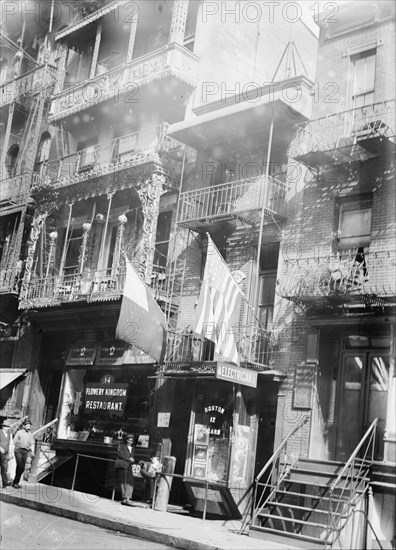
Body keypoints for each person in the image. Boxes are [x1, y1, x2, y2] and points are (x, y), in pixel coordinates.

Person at [13, 419, 35, 489]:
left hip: (26, 452)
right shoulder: (19, 432)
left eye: (29, 426)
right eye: (27, 425)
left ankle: (15, 482)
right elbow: (14, 442)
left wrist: (33, 452)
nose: (29, 427)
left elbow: (32, 444)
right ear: (24, 426)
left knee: (21, 468)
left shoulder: (30, 434)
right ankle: (15, 483)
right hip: (18, 450)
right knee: (20, 466)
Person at [114, 433, 135, 506]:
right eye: (129, 440)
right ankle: (124, 498)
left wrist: (132, 459)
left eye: (131, 441)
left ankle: (128, 497)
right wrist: (129, 458)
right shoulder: (121, 446)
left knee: (130, 481)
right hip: (122, 465)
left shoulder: (133, 449)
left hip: (129, 466)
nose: (130, 442)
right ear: (126, 440)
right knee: (123, 481)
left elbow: (131, 456)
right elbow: (119, 454)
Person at [0, 417, 12, 488]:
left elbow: (10, 443)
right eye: (7, 426)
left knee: (4, 468)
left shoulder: (9, 434)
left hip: (5, 453)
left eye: (9, 427)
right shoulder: (0, 432)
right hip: (0, 452)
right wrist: (0, 448)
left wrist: (10, 452)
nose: (8, 428)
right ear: (3, 427)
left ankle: (5, 482)